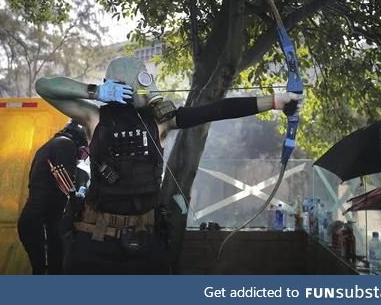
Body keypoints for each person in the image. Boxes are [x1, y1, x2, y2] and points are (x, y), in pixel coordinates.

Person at [35, 56, 304, 274]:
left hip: (145, 242)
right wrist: (95, 91)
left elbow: (215, 110)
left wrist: (276, 102)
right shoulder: (94, 117)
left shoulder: (160, 121)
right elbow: (44, 86)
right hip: (94, 241)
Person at [17, 121, 88, 275]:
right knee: (52, 270)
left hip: (35, 222)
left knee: (42, 270)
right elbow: (66, 187)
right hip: (41, 224)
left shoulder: (50, 145)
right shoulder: (66, 145)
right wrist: (82, 198)